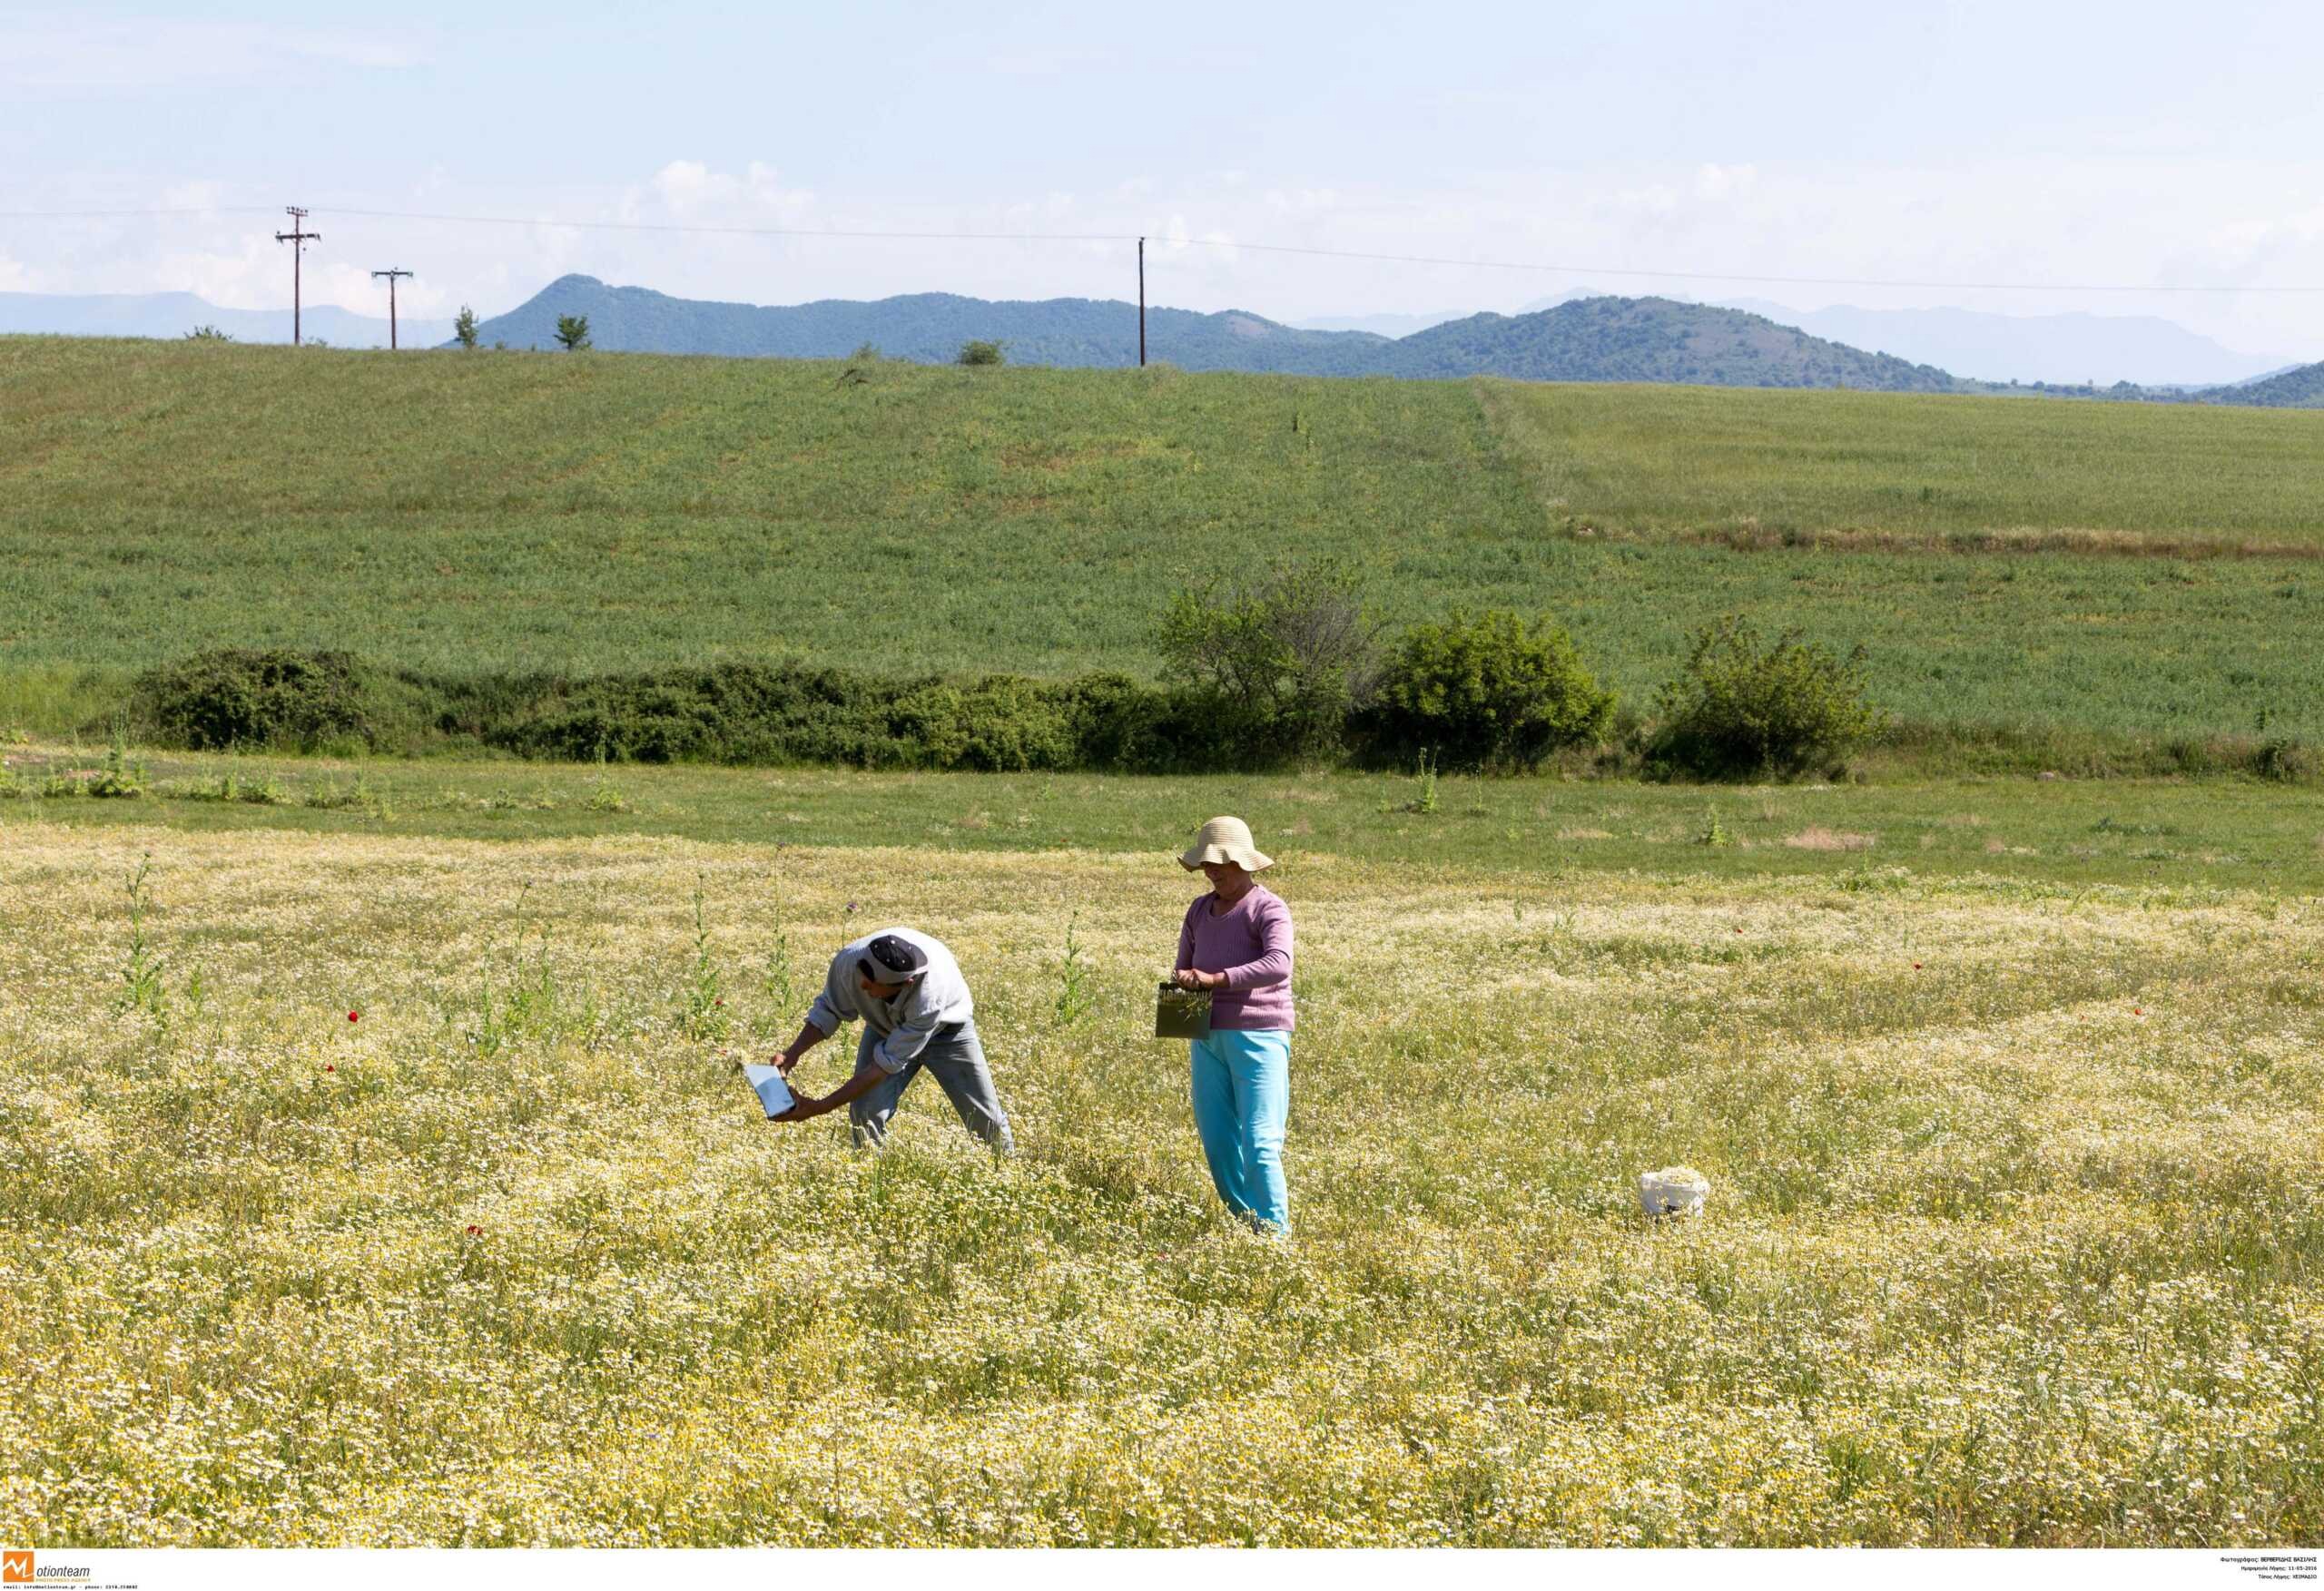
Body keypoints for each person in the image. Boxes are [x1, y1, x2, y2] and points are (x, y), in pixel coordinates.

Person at [765, 927, 1014, 1153]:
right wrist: (792, 1054)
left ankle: (1006, 1168)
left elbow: (880, 1069)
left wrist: (819, 1107)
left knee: (984, 1118)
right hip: (886, 1026)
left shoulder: (929, 999)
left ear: (906, 983)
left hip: (948, 1032)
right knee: (865, 1111)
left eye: (872, 985)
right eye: (863, 975)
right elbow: (830, 1009)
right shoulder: (850, 961)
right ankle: (868, 1178)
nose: (862, 985)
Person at [1172, 816, 1294, 1235]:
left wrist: (1216, 979)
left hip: (1260, 1035)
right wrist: (1185, 981)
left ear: (1244, 862)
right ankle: (1248, 1228)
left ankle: (1276, 1238)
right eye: (1206, 863)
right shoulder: (1199, 909)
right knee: (1219, 1144)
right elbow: (1182, 967)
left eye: (1219, 862)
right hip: (1205, 1036)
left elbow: (1279, 965)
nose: (1211, 871)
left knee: (1259, 1144)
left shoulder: (1269, 907)